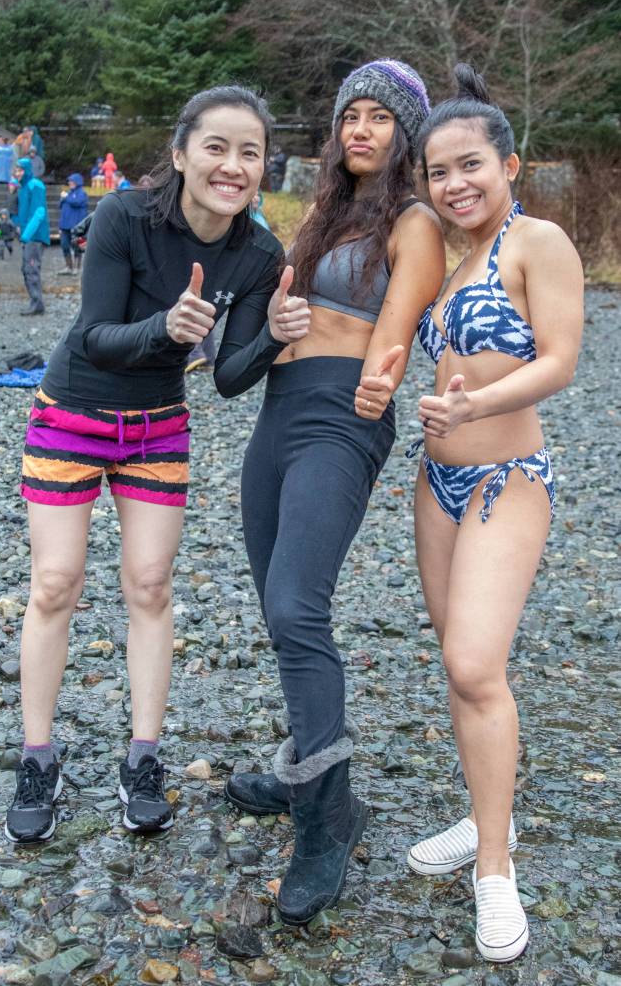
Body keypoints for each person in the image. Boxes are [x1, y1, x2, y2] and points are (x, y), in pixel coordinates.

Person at [5, 84, 307, 845]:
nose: (232, 165)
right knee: (54, 583)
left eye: (250, 152)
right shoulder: (124, 216)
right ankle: (38, 755)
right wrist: (167, 329)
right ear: (180, 154)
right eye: (216, 147)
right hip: (73, 409)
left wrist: (270, 332)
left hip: (157, 428)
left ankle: (143, 757)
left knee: (148, 584)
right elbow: (96, 333)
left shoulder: (258, 252)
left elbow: (233, 377)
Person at [223, 59, 446, 925]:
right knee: (275, 606)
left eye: (379, 119)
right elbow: (273, 314)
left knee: (295, 608)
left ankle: (326, 816)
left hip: (341, 417)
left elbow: (391, 340)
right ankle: (305, 768)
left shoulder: (414, 220)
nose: (359, 129)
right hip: (277, 414)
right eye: (349, 115)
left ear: (405, 135)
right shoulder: (318, 212)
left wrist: (378, 392)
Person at [404, 64, 583, 963]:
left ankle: (496, 870)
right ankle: (481, 814)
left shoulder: (535, 240)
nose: (454, 183)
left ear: (508, 163)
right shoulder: (445, 258)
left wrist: (474, 407)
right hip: (433, 483)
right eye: (437, 171)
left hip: (505, 475)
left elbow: (558, 360)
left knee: (476, 664)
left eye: (469, 164)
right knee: (455, 658)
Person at [14, 156, 50, 316]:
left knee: (31, 269)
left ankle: (37, 303)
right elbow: (23, 213)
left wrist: (26, 235)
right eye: (16, 170)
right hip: (29, 235)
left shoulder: (35, 186)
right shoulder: (24, 187)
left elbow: (38, 212)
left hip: (34, 236)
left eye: (20, 170)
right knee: (27, 269)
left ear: (27, 170)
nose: (17, 173)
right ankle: (35, 302)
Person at [57, 173, 89, 276]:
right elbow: (61, 208)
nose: (70, 183)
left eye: (72, 181)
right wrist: (60, 226)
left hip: (76, 227)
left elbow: (77, 202)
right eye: (69, 181)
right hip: (65, 226)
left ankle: (77, 268)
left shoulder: (82, 194)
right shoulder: (68, 194)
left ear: (77, 182)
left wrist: (66, 198)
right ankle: (68, 266)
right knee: (64, 246)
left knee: (77, 247)